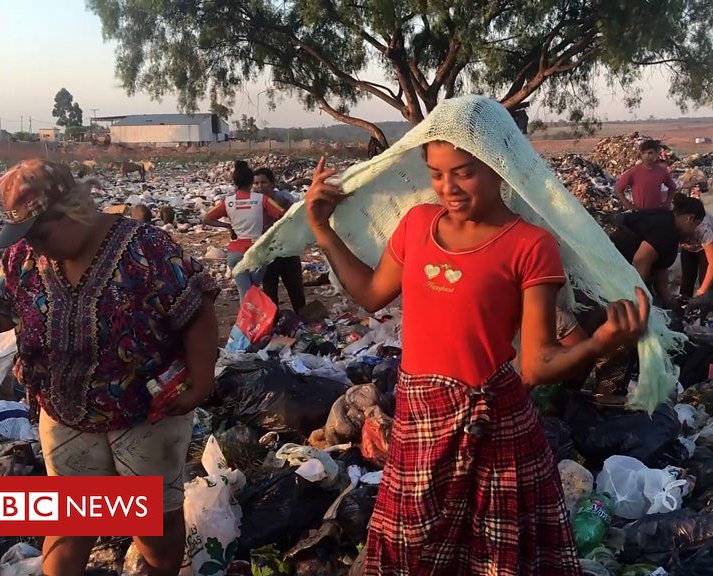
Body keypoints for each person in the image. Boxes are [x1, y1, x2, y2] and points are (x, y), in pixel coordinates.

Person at [306, 136, 650, 572]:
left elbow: (537, 364)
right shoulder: (416, 224)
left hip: (495, 428)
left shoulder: (529, 245)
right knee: (411, 544)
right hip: (420, 421)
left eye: (463, 171)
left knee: (494, 556)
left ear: (497, 167)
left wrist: (600, 344)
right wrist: (323, 231)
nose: (448, 187)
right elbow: (372, 294)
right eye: (436, 174)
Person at [0, 159, 220, 576]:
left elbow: (196, 310)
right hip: (64, 414)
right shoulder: (23, 259)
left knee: (153, 530)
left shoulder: (145, 249)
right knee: (70, 523)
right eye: (26, 237)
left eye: (41, 233)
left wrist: (201, 381)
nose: (34, 245)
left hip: (146, 416)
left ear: (73, 209)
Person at [203, 160, 285, 299]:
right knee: (252, 292)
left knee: (246, 294)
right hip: (257, 251)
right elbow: (283, 215)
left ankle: (247, 320)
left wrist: (227, 226)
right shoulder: (262, 199)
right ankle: (254, 319)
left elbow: (206, 218)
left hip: (235, 253)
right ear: (251, 182)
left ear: (235, 182)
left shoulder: (227, 201)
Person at [609, 198, 705, 306]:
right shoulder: (667, 231)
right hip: (615, 267)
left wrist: (667, 299)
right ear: (689, 218)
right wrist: (636, 301)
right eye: (696, 225)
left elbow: (661, 268)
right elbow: (641, 261)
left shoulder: (666, 218)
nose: (694, 230)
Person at [253, 167, 307, 310]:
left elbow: (298, 216)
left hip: (287, 248)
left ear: (272, 183)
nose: (259, 186)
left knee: (295, 288)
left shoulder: (284, 198)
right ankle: (274, 322)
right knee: (270, 290)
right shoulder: (254, 202)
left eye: (263, 182)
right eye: (256, 183)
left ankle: (302, 319)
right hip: (267, 251)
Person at [675, 194, 713, 299]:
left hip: (707, 244)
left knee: (705, 277)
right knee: (687, 276)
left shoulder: (703, 229)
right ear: (689, 219)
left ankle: (707, 301)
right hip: (689, 247)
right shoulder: (672, 223)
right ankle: (683, 303)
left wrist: (702, 292)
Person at [613, 139, 677, 210]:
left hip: (656, 212)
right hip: (640, 212)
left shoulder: (661, 172)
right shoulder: (633, 172)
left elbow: (673, 187)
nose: (647, 156)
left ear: (656, 154)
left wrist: (667, 203)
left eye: (650, 153)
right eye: (644, 153)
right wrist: (628, 205)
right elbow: (618, 189)